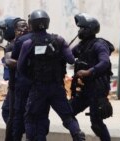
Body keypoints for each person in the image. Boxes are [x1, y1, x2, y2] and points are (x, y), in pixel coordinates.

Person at [17, 9, 85, 141]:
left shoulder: (28, 44)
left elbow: (21, 68)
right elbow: (71, 60)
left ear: (32, 24)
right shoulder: (59, 40)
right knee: (68, 117)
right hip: (57, 87)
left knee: (32, 117)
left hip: (37, 88)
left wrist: (32, 78)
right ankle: (78, 135)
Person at [70, 13, 114, 141]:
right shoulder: (82, 45)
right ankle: (79, 137)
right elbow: (69, 55)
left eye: (81, 28)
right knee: (68, 112)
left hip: (98, 90)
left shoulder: (99, 45)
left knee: (96, 124)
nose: (79, 31)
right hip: (85, 89)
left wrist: (89, 72)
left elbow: (104, 62)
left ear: (88, 30)